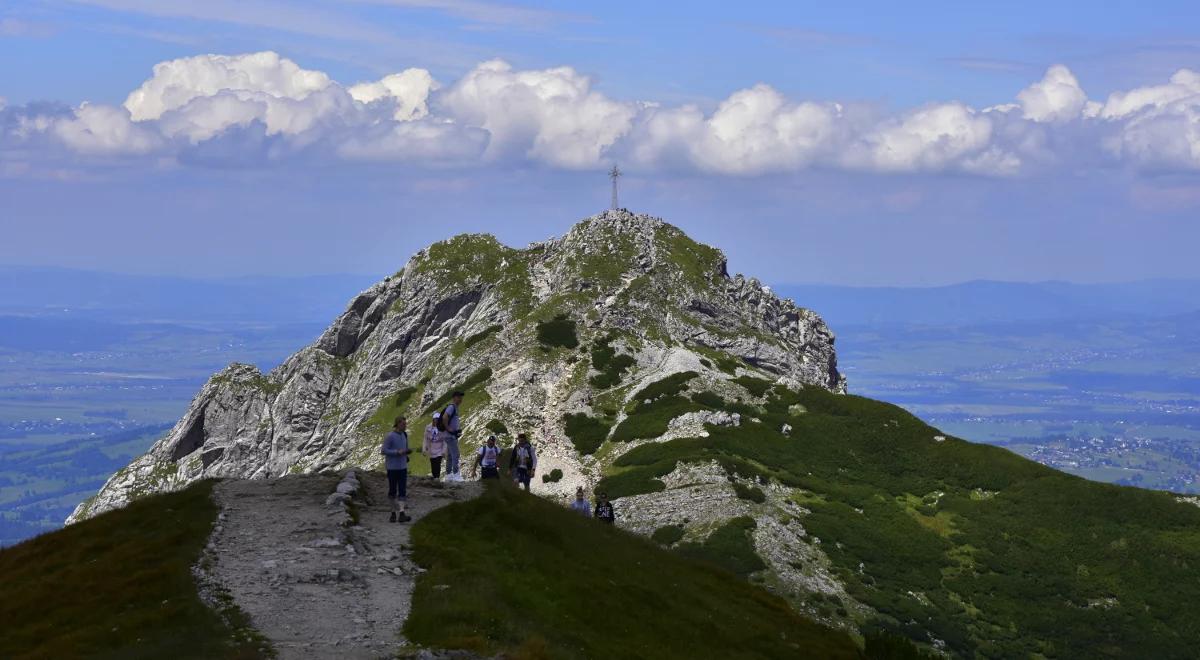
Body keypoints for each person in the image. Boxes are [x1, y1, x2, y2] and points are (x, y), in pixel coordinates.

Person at [380, 415, 415, 523]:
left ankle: (401, 513)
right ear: (398, 424)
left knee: (402, 490)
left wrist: (406, 454)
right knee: (392, 490)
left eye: (405, 424)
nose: (405, 426)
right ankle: (392, 513)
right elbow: (383, 451)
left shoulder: (404, 435)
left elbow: (404, 448)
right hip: (392, 468)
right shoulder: (390, 436)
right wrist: (397, 452)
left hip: (402, 467)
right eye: (403, 424)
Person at [439, 391, 464, 481]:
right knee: (456, 454)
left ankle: (448, 475)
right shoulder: (451, 407)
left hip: (451, 435)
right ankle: (456, 475)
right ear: (454, 398)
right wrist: (448, 428)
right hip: (450, 436)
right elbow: (444, 417)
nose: (460, 399)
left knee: (449, 455)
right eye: (458, 397)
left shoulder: (455, 408)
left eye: (461, 397)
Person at [423, 412, 446, 479]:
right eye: (435, 419)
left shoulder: (442, 428)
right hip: (431, 450)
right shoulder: (428, 427)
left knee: (437, 464)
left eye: (437, 419)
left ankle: (437, 478)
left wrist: (444, 451)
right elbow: (425, 439)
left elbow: (445, 441)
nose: (436, 421)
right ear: (433, 420)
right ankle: (434, 477)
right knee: (433, 465)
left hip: (439, 450)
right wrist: (424, 449)